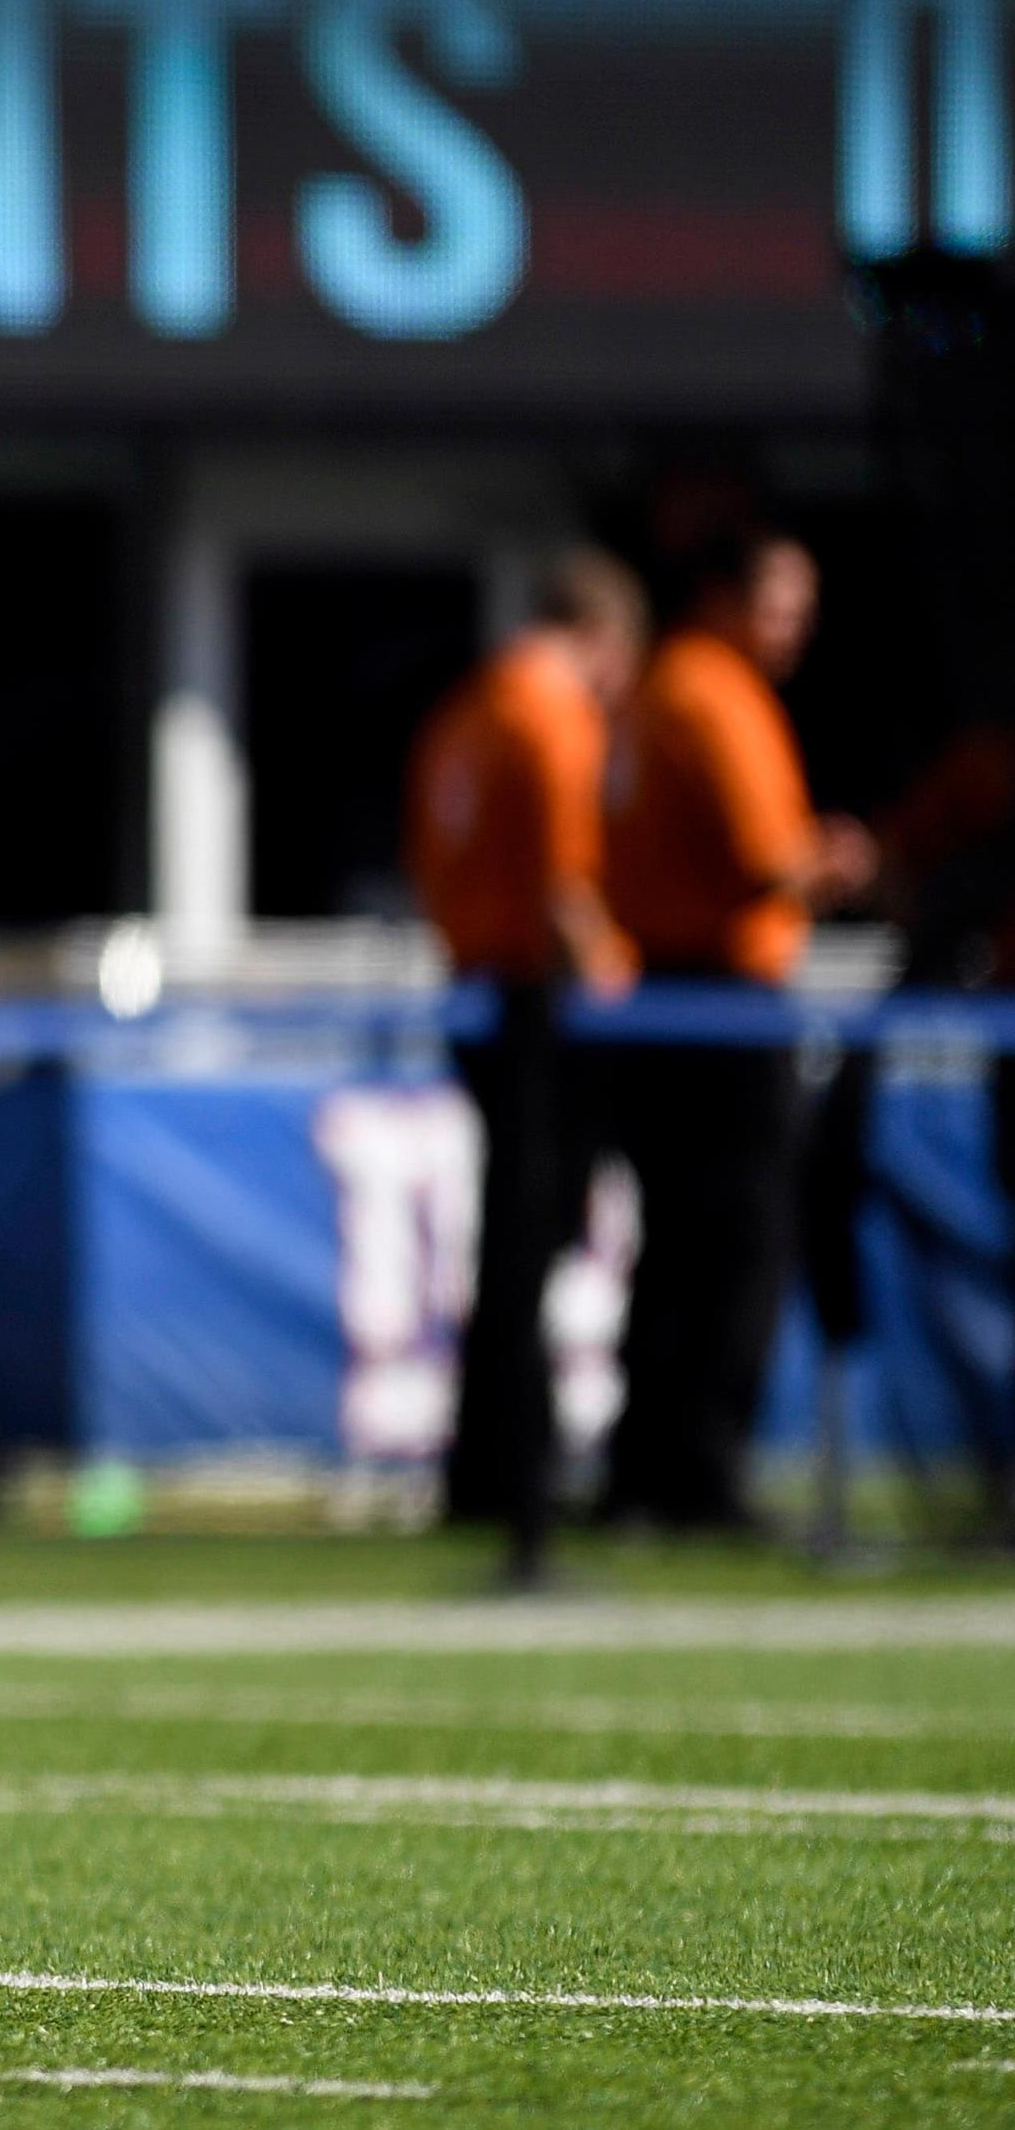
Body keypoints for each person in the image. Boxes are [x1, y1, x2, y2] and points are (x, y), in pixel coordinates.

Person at [600, 528, 876, 1532]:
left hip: (657, 1001)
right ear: (721, 595)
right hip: (720, 1001)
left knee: (671, 1243)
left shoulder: (657, 684)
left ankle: (643, 1471)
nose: (794, 629)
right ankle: (700, 1475)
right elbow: (768, 857)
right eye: (778, 604)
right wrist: (841, 859)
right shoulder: (715, 691)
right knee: (738, 1242)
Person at [404, 546, 645, 1580]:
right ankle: (521, 1491)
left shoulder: (465, 709)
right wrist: (611, 964)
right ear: (602, 638)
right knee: (531, 1240)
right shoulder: (547, 712)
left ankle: (492, 1474)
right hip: (531, 1001)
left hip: (476, 987)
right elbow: (563, 878)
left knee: (509, 1245)